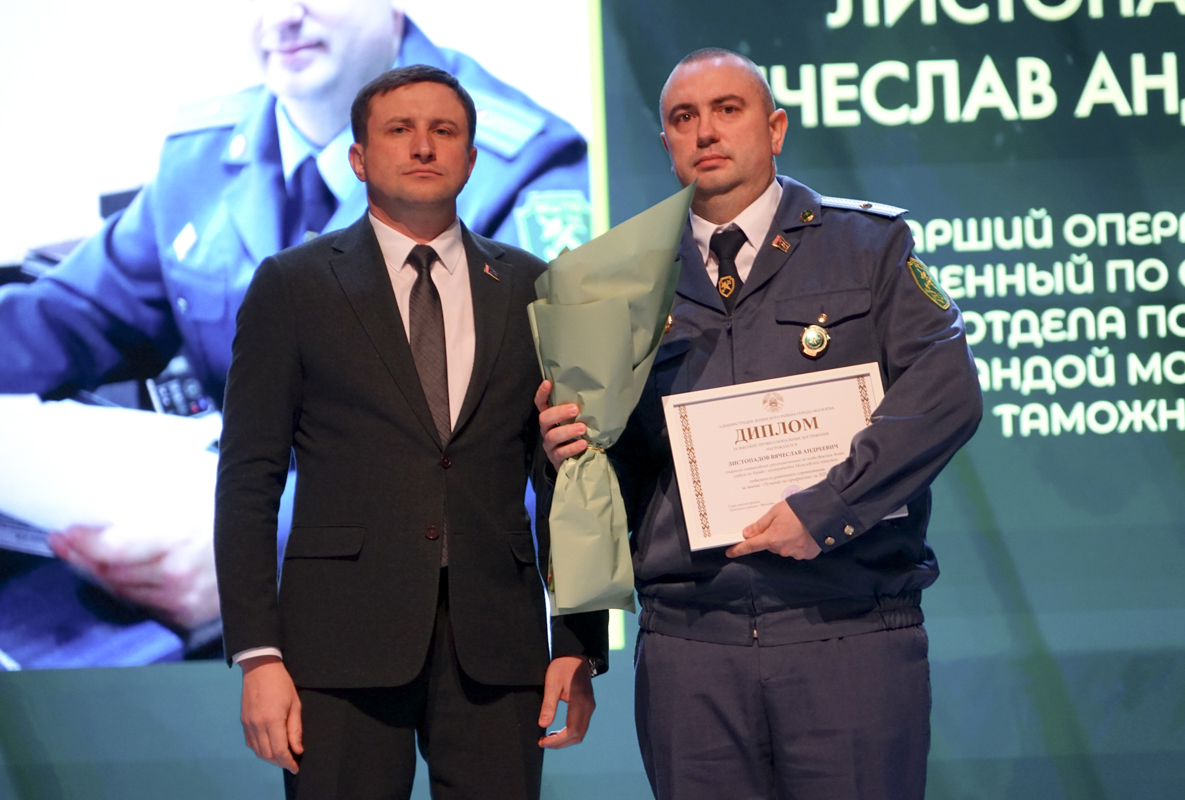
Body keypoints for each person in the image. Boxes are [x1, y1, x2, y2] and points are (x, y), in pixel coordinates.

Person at [0, 0, 590, 633]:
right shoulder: (203, 154)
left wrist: (268, 543)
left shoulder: (519, 174)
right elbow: (72, 316)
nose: (282, 14)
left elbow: (534, 461)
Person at [538, 48, 982, 799]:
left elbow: (945, 392)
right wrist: (572, 453)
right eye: (684, 117)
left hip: (846, 626)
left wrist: (829, 508)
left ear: (775, 128)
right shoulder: (614, 283)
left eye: (728, 110)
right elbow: (612, 472)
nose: (706, 130)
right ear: (667, 143)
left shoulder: (868, 246)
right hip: (690, 645)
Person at [216, 65, 607, 800]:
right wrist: (258, 655)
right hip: (338, 646)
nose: (424, 146)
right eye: (400, 130)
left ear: (472, 157)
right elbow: (248, 479)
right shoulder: (294, 285)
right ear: (358, 157)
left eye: (444, 131)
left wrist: (578, 640)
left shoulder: (532, 286)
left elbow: (565, 475)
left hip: (498, 644)